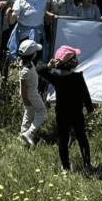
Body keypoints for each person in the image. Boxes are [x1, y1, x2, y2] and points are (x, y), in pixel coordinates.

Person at [37, 46, 95, 174]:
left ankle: (65, 167)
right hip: (76, 113)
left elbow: (39, 69)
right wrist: (90, 109)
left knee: (63, 139)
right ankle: (87, 164)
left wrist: (49, 66)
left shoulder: (57, 79)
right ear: (72, 63)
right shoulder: (78, 77)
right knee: (82, 138)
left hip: (61, 114)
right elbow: (85, 94)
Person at [7, 0, 47, 71]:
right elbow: (12, 21)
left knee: (37, 61)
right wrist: (9, 14)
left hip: (39, 34)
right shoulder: (20, 1)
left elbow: (45, 14)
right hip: (24, 36)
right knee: (24, 63)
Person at [15, 39, 47, 146]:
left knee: (28, 113)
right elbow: (23, 87)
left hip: (29, 94)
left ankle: (22, 134)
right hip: (32, 94)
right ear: (33, 55)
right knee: (42, 112)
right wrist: (25, 100)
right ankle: (30, 132)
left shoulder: (23, 64)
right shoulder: (26, 70)